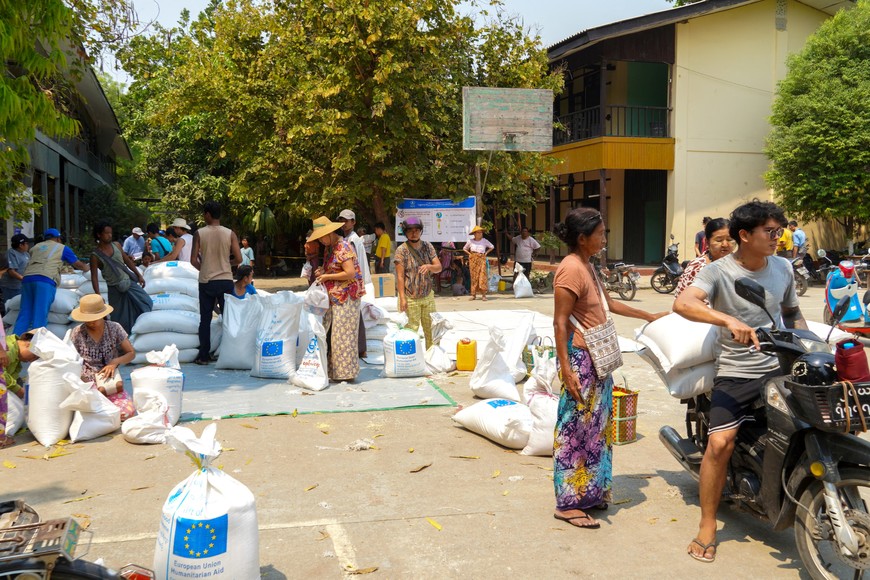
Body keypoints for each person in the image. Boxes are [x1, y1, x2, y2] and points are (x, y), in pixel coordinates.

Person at [674, 199, 805, 563]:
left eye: (780, 231)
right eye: (770, 232)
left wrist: (809, 348)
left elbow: (792, 312)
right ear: (744, 235)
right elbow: (683, 303)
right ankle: (707, 523)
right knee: (720, 443)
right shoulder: (719, 272)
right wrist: (725, 320)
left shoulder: (782, 267)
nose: (778, 238)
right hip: (737, 370)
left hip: (779, 364)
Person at [552, 207, 666, 530]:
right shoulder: (570, 270)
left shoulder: (589, 266)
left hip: (598, 363)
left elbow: (609, 305)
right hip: (580, 362)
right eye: (600, 234)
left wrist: (649, 316)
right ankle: (568, 503)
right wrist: (566, 369)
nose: (604, 238)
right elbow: (560, 323)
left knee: (597, 430)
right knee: (574, 432)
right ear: (582, 238)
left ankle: (590, 493)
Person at [309, 216, 365, 382]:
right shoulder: (329, 248)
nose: (320, 240)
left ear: (330, 233)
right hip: (334, 297)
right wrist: (322, 272)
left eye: (321, 237)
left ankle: (346, 374)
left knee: (343, 337)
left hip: (347, 297)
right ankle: (334, 371)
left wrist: (327, 277)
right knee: (332, 335)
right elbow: (332, 270)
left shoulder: (343, 247)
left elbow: (350, 273)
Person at [190, 201, 242, 366]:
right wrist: (226, 265)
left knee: (205, 320)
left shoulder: (199, 233)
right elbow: (239, 259)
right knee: (228, 319)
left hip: (207, 281)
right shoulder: (230, 233)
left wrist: (204, 268)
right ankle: (230, 354)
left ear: (207, 214)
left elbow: (192, 260)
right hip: (226, 280)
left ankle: (204, 356)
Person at [69, 294, 136, 420]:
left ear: (102, 315)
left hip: (110, 382)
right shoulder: (77, 333)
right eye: (87, 319)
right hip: (87, 384)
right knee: (88, 413)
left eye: (94, 318)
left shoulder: (114, 328)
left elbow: (131, 353)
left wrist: (114, 362)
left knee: (126, 412)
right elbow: (71, 360)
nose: (91, 322)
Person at [14, 228, 90, 335]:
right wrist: (88, 268)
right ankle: (36, 346)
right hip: (44, 280)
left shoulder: (35, 247)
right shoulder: (62, 248)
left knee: (24, 313)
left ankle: (13, 345)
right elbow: (77, 264)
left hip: (27, 279)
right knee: (40, 315)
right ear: (58, 238)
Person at [90, 223, 153, 335]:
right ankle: (123, 341)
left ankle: (140, 331)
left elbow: (127, 261)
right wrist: (98, 295)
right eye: (106, 233)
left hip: (128, 283)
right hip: (114, 289)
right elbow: (94, 277)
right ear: (99, 235)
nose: (109, 235)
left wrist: (138, 275)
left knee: (145, 302)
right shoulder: (95, 256)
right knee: (119, 319)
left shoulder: (117, 245)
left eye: (111, 233)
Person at [393, 217, 442, 348]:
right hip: (410, 297)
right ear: (405, 232)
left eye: (417, 230)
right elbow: (400, 276)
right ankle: (412, 362)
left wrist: (429, 266)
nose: (414, 233)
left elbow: (439, 267)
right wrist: (402, 298)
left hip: (427, 296)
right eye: (410, 230)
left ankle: (432, 358)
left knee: (432, 329)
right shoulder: (401, 250)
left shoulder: (428, 246)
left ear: (421, 231)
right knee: (410, 332)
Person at [337, 209, 370, 357]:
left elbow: (353, 264)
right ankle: (359, 347)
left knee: (354, 314)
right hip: (353, 280)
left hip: (353, 281)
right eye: (341, 220)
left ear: (353, 222)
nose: (344, 224)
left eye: (346, 221)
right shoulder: (348, 238)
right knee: (355, 313)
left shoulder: (352, 240)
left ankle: (360, 348)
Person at [674, 218, 733, 297]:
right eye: (719, 240)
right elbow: (682, 303)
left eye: (730, 239)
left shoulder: (742, 264)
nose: (725, 244)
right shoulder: (697, 267)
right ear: (707, 242)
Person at [0, 329, 38, 449]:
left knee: (21, 410)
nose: (31, 360)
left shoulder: (17, 359)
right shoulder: (9, 348)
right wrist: (18, 390)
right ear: (28, 344)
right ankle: (4, 436)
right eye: (34, 356)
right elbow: (2, 373)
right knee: (16, 413)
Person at [463, 225, 494, 301]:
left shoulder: (484, 240)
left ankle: (483, 295)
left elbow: (492, 246)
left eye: (481, 232)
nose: (480, 234)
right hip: (473, 259)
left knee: (482, 276)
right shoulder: (471, 241)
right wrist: (470, 254)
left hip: (481, 258)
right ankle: (473, 295)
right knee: (474, 277)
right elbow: (464, 248)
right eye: (478, 232)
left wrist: (486, 253)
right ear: (475, 234)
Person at [1, 233, 30, 304]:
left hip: (21, 285)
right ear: (20, 245)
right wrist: (24, 279)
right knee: (10, 306)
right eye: (26, 243)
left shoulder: (26, 254)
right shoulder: (11, 253)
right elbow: (11, 271)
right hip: (11, 287)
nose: (28, 245)